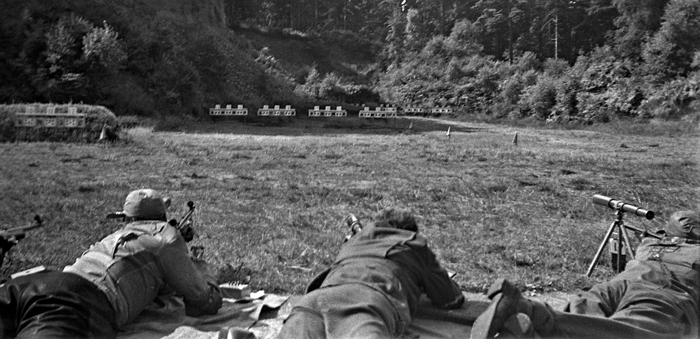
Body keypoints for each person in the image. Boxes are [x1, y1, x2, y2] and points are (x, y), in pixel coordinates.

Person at [0, 188, 222, 338]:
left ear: (126, 219)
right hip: (79, 302)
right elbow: (205, 301)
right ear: (163, 216)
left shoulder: (116, 237)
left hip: (33, 285)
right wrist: (197, 263)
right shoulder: (167, 236)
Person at [470, 210, 700, 339]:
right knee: (634, 328)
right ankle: (537, 318)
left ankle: (528, 310)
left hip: (620, 283)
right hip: (664, 291)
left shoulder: (649, 244)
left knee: (586, 311)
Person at [276, 207, 464, 339]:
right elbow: (449, 298)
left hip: (314, 300)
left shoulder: (354, 242)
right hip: (365, 304)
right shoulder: (412, 243)